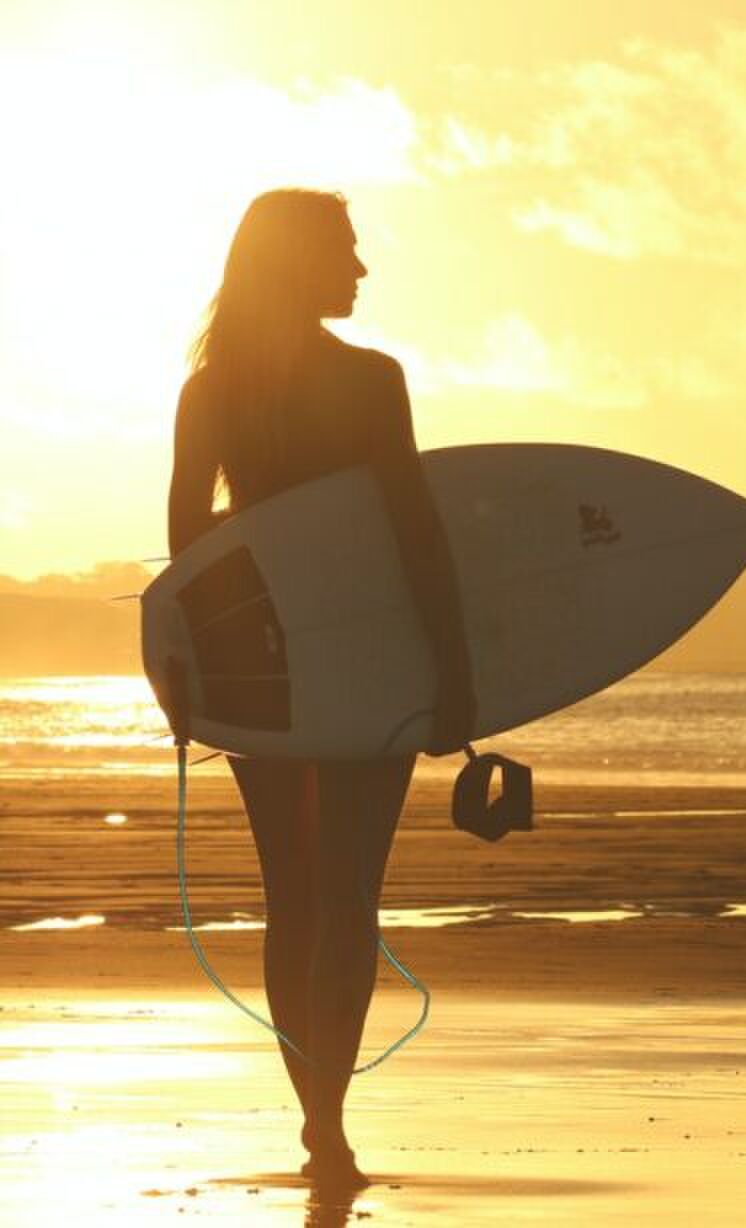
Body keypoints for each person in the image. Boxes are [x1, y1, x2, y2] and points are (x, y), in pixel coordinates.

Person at [166, 188, 476, 1189]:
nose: (361, 269)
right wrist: (454, 672)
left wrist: (203, 677)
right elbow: (414, 534)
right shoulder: (371, 381)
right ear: (299, 261)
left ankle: (320, 1120)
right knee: (347, 898)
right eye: (345, 250)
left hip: (266, 673)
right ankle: (329, 1118)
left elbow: (186, 551)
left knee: (294, 901)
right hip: (371, 666)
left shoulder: (212, 391)